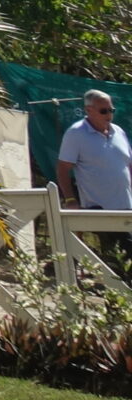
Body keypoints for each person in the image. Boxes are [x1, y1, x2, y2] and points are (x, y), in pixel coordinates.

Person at [55, 88, 132, 275]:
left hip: (126, 207)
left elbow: (128, 165)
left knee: (121, 262)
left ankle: (115, 301)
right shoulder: (76, 134)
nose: (109, 115)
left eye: (111, 110)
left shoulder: (119, 132)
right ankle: (116, 301)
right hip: (100, 209)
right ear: (88, 110)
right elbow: (63, 168)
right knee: (122, 258)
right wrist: (71, 201)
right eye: (103, 111)